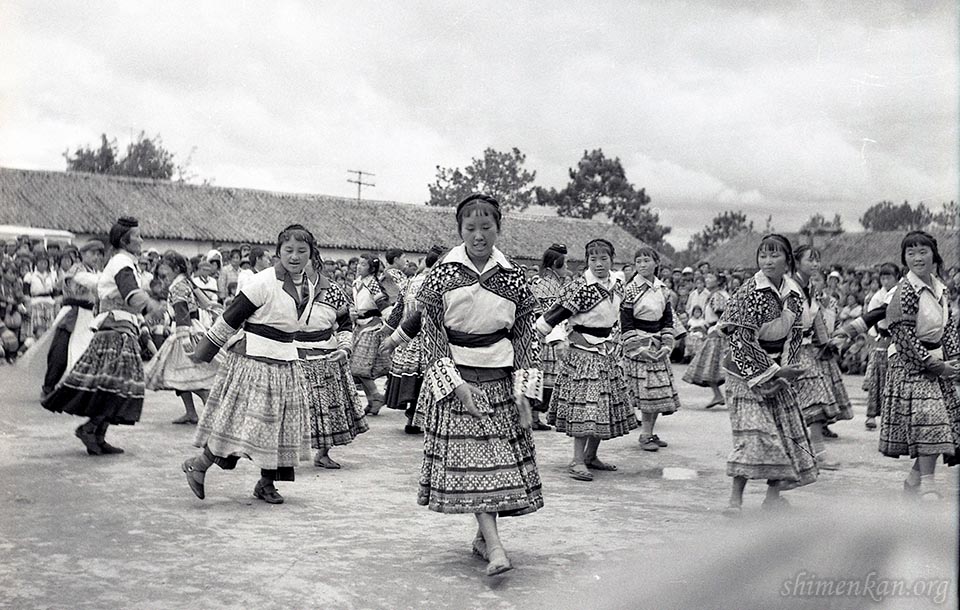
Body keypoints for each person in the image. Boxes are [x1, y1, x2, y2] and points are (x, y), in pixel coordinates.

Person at [416, 193, 542, 576]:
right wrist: (455, 386)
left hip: (500, 380)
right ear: (460, 230)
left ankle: (483, 538)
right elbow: (432, 334)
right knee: (481, 464)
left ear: (498, 228)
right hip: (460, 381)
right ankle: (497, 548)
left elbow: (525, 334)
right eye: (470, 228)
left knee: (493, 467)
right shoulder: (441, 274)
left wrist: (525, 390)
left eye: (486, 227)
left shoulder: (513, 276)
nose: (478, 235)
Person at [182, 225, 316, 504]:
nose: (295, 256)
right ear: (278, 252)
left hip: (285, 362)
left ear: (311, 253)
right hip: (254, 362)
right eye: (289, 250)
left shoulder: (309, 286)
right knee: (239, 422)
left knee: (280, 426)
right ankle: (199, 464)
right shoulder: (262, 282)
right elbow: (230, 318)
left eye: (302, 251)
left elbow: (295, 326)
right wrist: (203, 353)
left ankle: (266, 484)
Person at [42, 217, 163, 455]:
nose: (141, 240)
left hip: (120, 326)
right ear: (124, 241)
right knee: (116, 383)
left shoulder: (124, 262)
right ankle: (90, 429)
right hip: (115, 329)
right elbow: (130, 294)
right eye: (137, 236)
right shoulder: (121, 263)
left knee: (114, 384)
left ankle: (97, 434)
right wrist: (151, 305)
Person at [720, 234, 818, 515]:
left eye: (774, 255)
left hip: (778, 370)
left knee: (784, 435)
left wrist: (786, 372)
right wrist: (772, 372)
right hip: (744, 374)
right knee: (754, 434)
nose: (768, 261)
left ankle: (773, 497)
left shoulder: (794, 293)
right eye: (763, 255)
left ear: (787, 259)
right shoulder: (749, 291)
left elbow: (795, 334)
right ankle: (735, 500)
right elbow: (740, 339)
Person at [543, 238, 636, 479]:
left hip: (607, 352)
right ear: (587, 261)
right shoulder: (579, 287)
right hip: (582, 353)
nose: (599, 264)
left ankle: (591, 456)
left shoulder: (618, 286)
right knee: (585, 408)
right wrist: (555, 339)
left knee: (603, 406)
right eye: (593, 259)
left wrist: (624, 340)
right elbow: (554, 315)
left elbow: (622, 316)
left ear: (612, 260)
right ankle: (577, 460)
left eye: (604, 259)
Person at [879, 231, 960, 500]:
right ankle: (927, 483)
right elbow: (903, 336)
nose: (917, 258)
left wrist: (955, 360)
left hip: (936, 360)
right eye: (910, 253)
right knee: (930, 418)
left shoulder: (939, 288)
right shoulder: (904, 291)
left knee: (942, 423)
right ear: (904, 258)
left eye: (923, 251)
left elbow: (947, 327)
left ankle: (914, 479)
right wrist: (935, 366)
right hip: (910, 364)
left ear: (934, 255)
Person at [144, 251, 220, 425]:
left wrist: (184, 338)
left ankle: (211, 415)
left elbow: (181, 311)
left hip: (185, 331)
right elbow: (201, 303)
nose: (164, 278)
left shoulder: (178, 286)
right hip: (189, 328)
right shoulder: (185, 282)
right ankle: (192, 413)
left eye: (166, 274)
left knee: (189, 376)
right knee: (180, 375)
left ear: (176, 269)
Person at [380, 244, 446, 434]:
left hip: (407, 339)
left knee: (413, 383)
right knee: (426, 381)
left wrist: (389, 331)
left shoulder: (411, 281)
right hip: (428, 338)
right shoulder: (438, 282)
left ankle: (412, 419)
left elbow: (398, 309)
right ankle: (422, 420)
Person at [790, 247, 845, 470]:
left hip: (807, 351)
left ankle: (817, 452)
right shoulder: (788, 287)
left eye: (817, 260)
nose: (815, 264)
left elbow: (816, 320)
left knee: (815, 400)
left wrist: (826, 343)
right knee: (803, 401)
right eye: (810, 260)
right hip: (790, 350)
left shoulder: (810, 288)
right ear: (796, 262)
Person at [621, 246, 680, 451]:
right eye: (638, 261)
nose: (642, 265)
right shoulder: (629, 290)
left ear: (656, 263)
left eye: (646, 260)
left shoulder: (663, 289)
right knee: (648, 393)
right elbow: (625, 322)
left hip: (658, 345)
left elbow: (667, 319)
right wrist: (637, 348)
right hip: (639, 345)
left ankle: (650, 433)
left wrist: (667, 344)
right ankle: (645, 435)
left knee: (658, 392)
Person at [832, 262, 901, 430]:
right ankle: (871, 415)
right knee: (877, 379)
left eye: (889, 278)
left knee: (896, 382)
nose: (886, 281)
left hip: (899, 341)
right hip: (881, 338)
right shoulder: (877, 297)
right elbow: (873, 316)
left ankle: (894, 417)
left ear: (896, 278)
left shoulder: (900, 292)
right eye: (883, 278)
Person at [41, 240, 104, 398]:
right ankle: (49, 386)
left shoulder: (96, 272)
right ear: (83, 254)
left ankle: (77, 388)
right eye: (93, 253)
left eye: (99, 254)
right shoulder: (77, 269)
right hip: (73, 313)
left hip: (88, 316)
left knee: (84, 352)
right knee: (60, 351)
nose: (96, 257)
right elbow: (75, 283)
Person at [527, 243, 569, 431]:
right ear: (555, 264)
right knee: (541, 375)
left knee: (540, 375)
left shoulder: (547, 283)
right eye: (565, 263)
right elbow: (549, 316)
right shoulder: (549, 286)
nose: (567, 267)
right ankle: (532, 416)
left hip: (545, 335)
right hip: (546, 336)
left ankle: (535, 417)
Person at [351, 253, 392, 414]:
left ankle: (376, 396)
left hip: (372, 327)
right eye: (358, 263)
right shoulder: (356, 283)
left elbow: (383, 306)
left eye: (363, 264)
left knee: (360, 367)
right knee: (358, 368)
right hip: (359, 326)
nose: (359, 267)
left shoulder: (373, 284)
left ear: (371, 268)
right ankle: (372, 401)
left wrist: (389, 325)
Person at [683, 272, 730, 408]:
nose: (707, 280)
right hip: (714, 331)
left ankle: (725, 395)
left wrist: (718, 330)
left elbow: (723, 315)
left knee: (712, 366)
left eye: (711, 277)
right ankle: (718, 395)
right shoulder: (716, 294)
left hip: (718, 333)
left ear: (718, 281)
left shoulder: (718, 295)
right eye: (707, 278)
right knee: (709, 367)